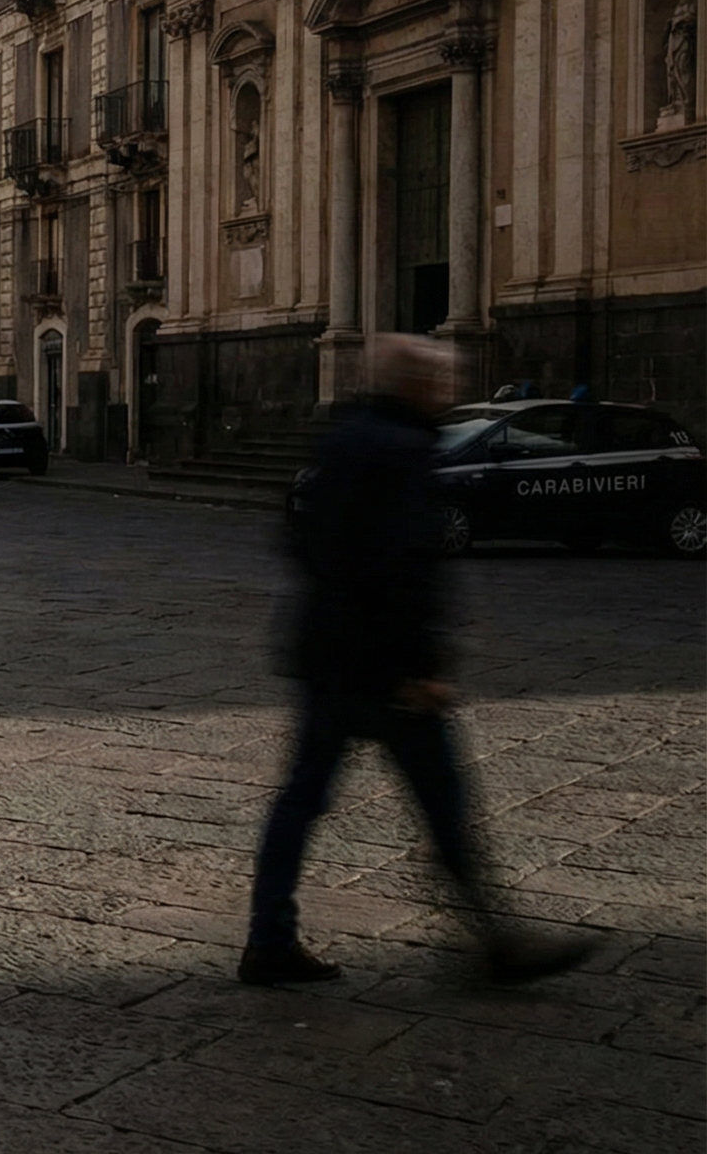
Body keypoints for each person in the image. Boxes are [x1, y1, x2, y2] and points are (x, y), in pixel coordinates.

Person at [246, 333, 595, 988]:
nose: (448, 388)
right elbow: (406, 567)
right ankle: (495, 940)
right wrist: (421, 666)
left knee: (299, 800)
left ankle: (268, 937)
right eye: (439, 378)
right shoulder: (406, 451)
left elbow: (302, 538)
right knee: (443, 798)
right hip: (387, 669)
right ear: (415, 384)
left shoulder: (340, 439)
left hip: (326, 654)